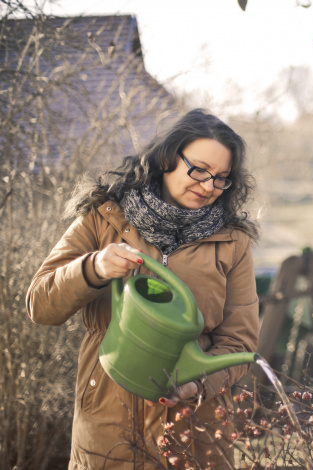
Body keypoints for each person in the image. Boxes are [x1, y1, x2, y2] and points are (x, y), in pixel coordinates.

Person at [26, 109, 260, 469]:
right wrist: (94, 267)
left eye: (221, 178)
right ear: (168, 158)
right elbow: (40, 305)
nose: (209, 186)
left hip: (194, 432)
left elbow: (240, 342)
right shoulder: (104, 217)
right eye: (198, 170)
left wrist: (198, 385)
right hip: (108, 423)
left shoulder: (233, 241)